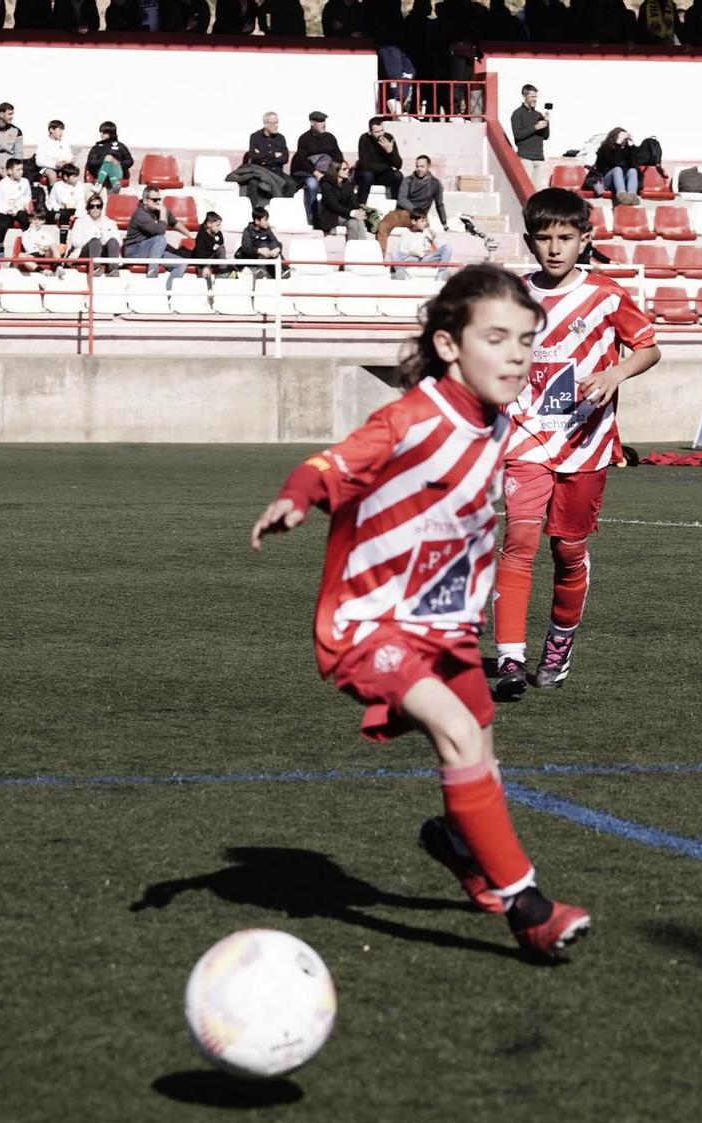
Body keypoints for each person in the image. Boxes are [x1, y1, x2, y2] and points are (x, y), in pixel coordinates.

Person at [249, 266, 592, 960]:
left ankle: (459, 845)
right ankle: (528, 906)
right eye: (496, 338)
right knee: (461, 733)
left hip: (446, 626)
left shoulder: (498, 419)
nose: (517, 354)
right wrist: (299, 494)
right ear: (447, 345)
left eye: (526, 339)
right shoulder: (412, 416)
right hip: (369, 623)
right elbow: (334, 461)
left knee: (480, 752)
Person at [490, 187, 659, 698]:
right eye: (544, 239)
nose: (555, 248)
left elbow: (648, 349)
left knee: (567, 548)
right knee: (519, 541)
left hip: (584, 440)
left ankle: (559, 644)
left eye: (566, 237)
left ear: (586, 238)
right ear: (529, 241)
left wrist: (615, 374)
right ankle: (511, 659)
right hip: (525, 436)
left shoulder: (605, 294)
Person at [296, 111, 343, 224]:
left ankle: (337, 217)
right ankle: (313, 218)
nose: (323, 124)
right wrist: (315, 173)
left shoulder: (330, 137)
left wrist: (336, 171)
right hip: (311, 173)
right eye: (320, 122)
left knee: (342, 183)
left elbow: (338, 156)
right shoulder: (304, 139)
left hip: (329, 172)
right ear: (312, 123)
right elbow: (302, 160)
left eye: (324, 121)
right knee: (312, 185)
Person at [354, 117, 402, 207]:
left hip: (383, 175)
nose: (381, 134)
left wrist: (390, 152)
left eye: (382, 130)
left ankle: (395, 205)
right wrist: (386, 167)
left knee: (398, 175)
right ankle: (361, 205)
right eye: (377, 132)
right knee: (367, 175)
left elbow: (399, 165)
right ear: (370, 132)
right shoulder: (364, 139)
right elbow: (364, 164)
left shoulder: (388, 137)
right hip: (368, 174)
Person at [593, 128, 639, 199]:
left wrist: (631, 146)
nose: (624, 140)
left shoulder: (629, 149)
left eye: (625, 138)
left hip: (623, 180)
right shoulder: (605, 148)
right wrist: (618, 144)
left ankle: (632, 195)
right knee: (617, 169)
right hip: (608, 180)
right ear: (615, 137)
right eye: (622, 137)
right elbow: (615, 163)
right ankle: (621, 194)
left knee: (632, 170)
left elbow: (634, 165)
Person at [510, 83, 549, 162]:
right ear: (524, 97)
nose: (535, 99)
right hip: (525, 157)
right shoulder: (517, 113)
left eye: (536, 97)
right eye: (532, 97)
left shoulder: (539, 114)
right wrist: (535, 127)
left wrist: (547, 123)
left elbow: (546, 136)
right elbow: (517, 135)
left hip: (540, 158)